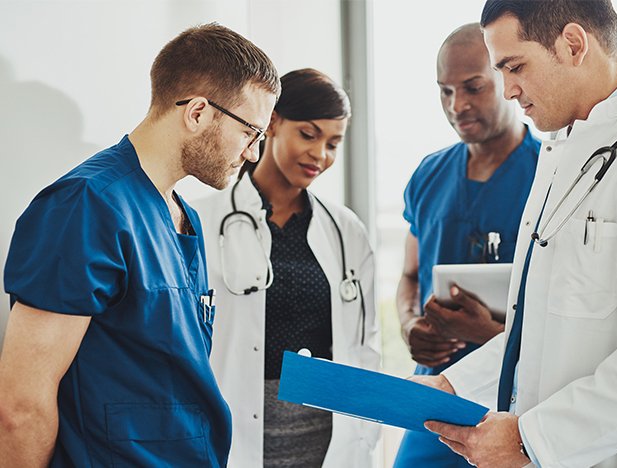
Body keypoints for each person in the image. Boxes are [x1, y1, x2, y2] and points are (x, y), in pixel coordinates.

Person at [422, 1, 617, 467]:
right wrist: (452, 384)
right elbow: (539, 330)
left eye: (515, 67)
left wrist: (530, 438)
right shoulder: (564, 153)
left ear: (573, 44)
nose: (507, 89)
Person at [0, 24, 279, 467]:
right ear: (199, 113)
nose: (253, 153)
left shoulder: (182, 216)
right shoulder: (86, 206)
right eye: (251, 132)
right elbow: (21, 407)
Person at [192, 68, 381, 468]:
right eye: (309, 135)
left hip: (326, 438)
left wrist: (365, 435)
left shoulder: (346, 230)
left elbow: (365, 345)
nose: (321, 155)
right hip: (234, 431)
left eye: (333, 143)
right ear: (273, 122)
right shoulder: (204, 220)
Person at [393, 23, 540, 467]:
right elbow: (410, 276)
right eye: (445, 91)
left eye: (473, 88)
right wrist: (409, 328)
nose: (458, 105)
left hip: (516, 405)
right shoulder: (428, 175)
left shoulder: (552, 178)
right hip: (434, 400)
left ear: (506, 81)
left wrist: (490, 335)